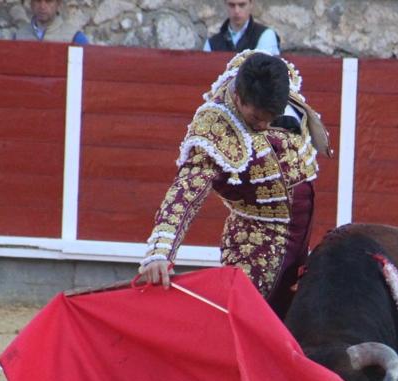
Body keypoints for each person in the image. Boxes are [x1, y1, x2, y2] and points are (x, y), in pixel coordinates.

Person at [138, 50, 331, 319]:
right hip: (259, 244)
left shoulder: (270, 78)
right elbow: (185, 193)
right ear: (238, 98)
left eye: (270, 118)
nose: (263, 126)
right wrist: (160, 252)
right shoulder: (215, 129)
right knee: (251, 322)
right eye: (255, 119)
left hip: (300, 236)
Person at [203, 0, 280, 55]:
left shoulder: (265, 35)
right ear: (225, 5)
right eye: (232, 5)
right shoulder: (211, 43)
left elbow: (265, 71)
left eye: (242, 5)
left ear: (251, 4)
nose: (237, 11)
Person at [13, 0, 88, 44]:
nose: (42, 6)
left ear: (58, 4)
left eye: (48, 1)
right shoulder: (19, 36)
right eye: (38, 1)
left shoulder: (74, 37)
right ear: (31, 4)